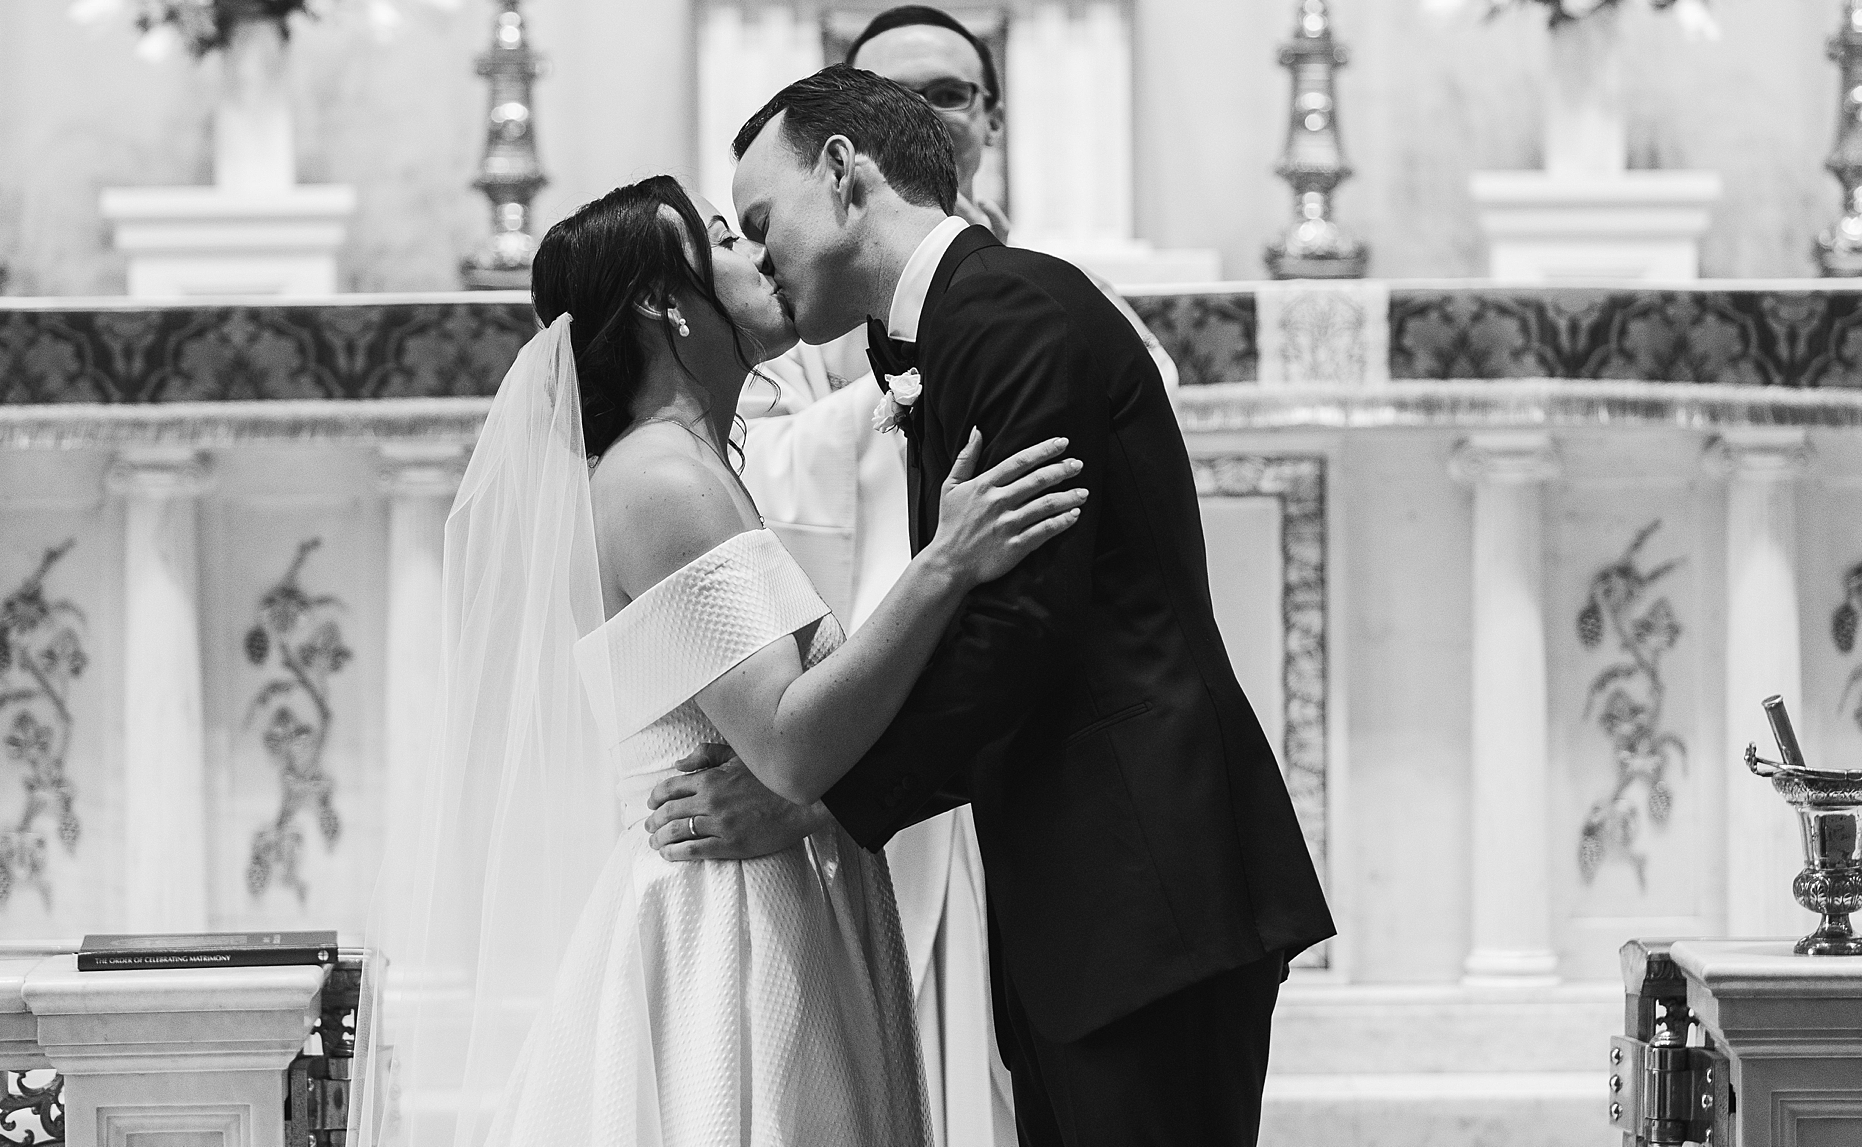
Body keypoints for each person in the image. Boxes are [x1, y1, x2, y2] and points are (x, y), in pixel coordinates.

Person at [357, 175, 1089, 1147]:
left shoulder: (693, 465)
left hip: (770, 882)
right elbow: (785, 747)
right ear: (665, 301)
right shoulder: (660, 476)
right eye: (724, 241)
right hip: (725, 919)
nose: (761, 255)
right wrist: (943, 566)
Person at [679, 67, 1337, 1147]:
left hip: (1145, 878)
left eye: (761, 222)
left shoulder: (1011, 312)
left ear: (844, 174)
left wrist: (822, 799)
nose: (755, 259)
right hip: (1092, 887)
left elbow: (1021, 626)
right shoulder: (959, 324)